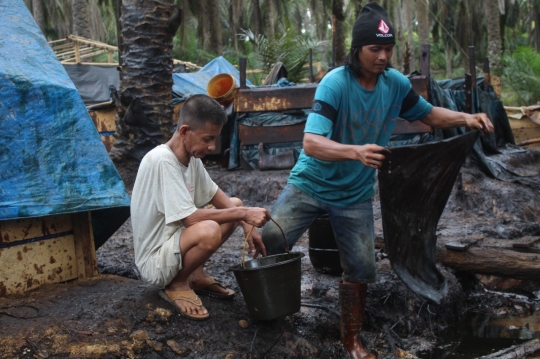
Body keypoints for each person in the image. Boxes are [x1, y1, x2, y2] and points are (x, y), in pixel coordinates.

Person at [261, 2, 494, 358]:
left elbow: (429, 115)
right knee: (270, 237)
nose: (383, 56)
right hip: (311, 183)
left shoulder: (396, 85)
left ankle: (351, 340)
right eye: (376, 49)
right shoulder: (334, 84)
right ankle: (273, 314)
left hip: (354, 194)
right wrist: (355, 152)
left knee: (362, 268)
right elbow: (311, 142)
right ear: (357, 49)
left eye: (388, 49)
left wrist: (468, 116)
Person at [131, 94, 270, 320]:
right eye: (207, 139)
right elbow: (190, 220)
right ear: (185, 131)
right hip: (155, 262)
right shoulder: (162, 160)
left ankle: (194, 274)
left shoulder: (192, 159)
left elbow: (217, 196)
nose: (212, 146)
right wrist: (245, 214)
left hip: (175, 244)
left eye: (214, 139)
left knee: (234, 205)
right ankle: (176, 285)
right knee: (209, 229)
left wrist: (246, 225)